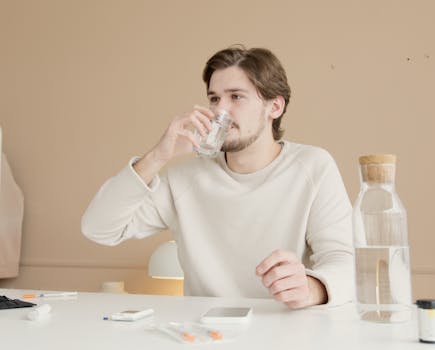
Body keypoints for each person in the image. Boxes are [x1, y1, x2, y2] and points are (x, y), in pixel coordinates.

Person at [81, 46, 354, 308]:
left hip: (286, 328)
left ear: (275, 107)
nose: (220, 111)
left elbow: (343, 260)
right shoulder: (184, 178)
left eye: (236, 97)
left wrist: (311, 288)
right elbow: (99, 228)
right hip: (205, 332)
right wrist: (156, 157)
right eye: (214, 98)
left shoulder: (313, 167)